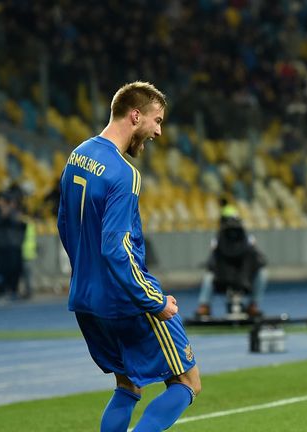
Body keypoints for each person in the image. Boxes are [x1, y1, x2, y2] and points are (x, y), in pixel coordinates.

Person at [57, 82, 201, 432]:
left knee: (128, 385)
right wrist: (153, 301)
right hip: (125, 300)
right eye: (156, 120)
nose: (158, 131)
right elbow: (116, 247)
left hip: (86, 300)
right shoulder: (124, 174)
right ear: (135, 115)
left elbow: (65, 225)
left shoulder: (78, 155)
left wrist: (86, 276)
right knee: (187, 382)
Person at [0, 192, 26, 302]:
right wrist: (4, 213)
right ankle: (1, 291)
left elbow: (20, 225)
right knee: (1, 270)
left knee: (15, 269)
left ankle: (13, 290)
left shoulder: (14, 212)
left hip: (14, 246)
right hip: (0, 247)